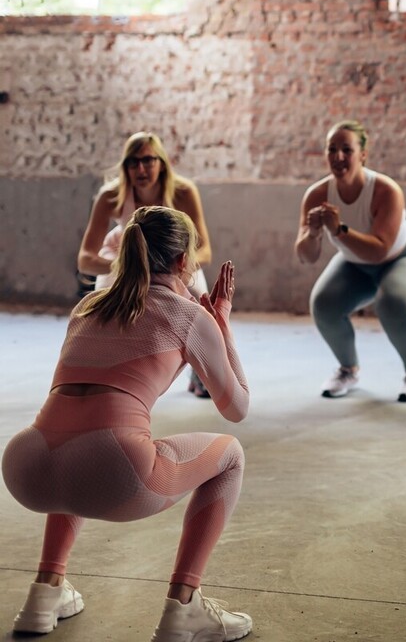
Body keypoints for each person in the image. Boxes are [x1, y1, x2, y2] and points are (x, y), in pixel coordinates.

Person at [2, 206, 252, 641]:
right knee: (230, 454)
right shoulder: (189, 316)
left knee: (78, 437)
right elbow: (237, 407)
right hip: (115, 470)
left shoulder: (88, 304)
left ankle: (44, 593)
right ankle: (184, 609)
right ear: (181, 262)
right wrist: (222, 324)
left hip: (26, 464)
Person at [296, 120, 406, 401]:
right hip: (355, 263)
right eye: (332, 149)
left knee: (392, 302)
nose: (338, 157)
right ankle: (348, 370)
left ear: (363, 154)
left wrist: (338, 230)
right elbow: (305, 256)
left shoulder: (386, 190)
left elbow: (380, 251)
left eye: (346, 150)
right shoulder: (316, 194)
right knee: (323, 304)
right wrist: (313, 233)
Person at [77, 131, 214, 398]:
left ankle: (202, 372)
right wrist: (126, 265)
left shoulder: (183, 192)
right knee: (103, 302)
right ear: (125, 166)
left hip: (169, 258)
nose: (141, 168)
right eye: (133, 162)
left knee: (203, 299)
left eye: (148, 160)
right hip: (123, 257)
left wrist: (176, 265)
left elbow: (205, 250)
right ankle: (103, 371)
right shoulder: (110, 196)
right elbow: (85, 259)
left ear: (162, 163)